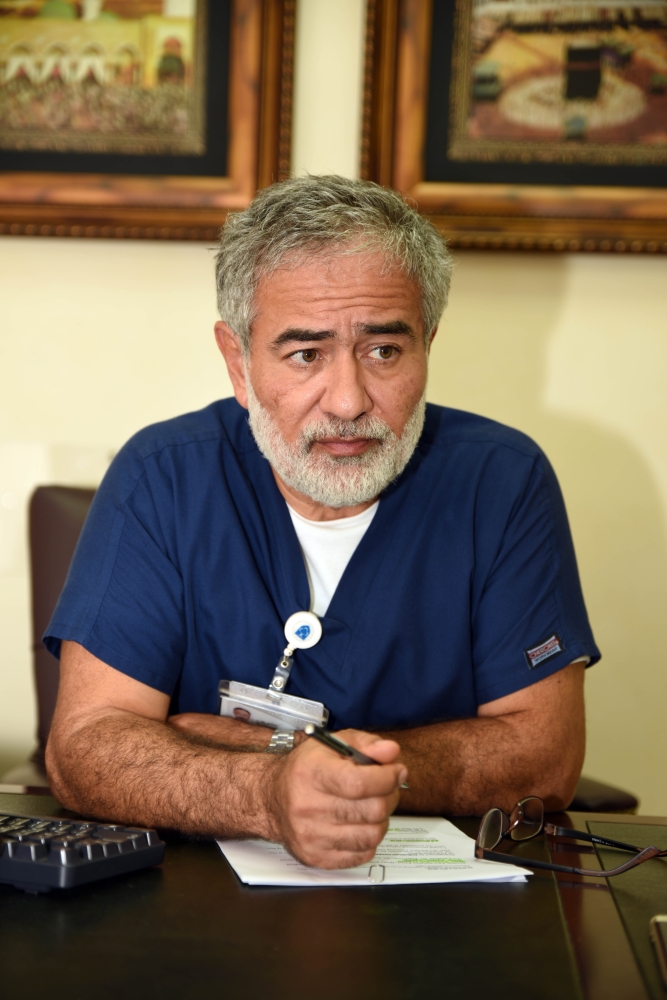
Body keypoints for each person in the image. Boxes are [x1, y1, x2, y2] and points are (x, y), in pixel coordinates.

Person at [45, 176, 599, 870]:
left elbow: (544, 758)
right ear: (238, 363)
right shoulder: (164, 476)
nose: (347, 401)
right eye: (305, 354)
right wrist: (268, 792)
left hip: (439, 912)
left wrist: (290, 755)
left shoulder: (501, 481)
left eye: (383, 351)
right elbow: (85, 748)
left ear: (427, 344)